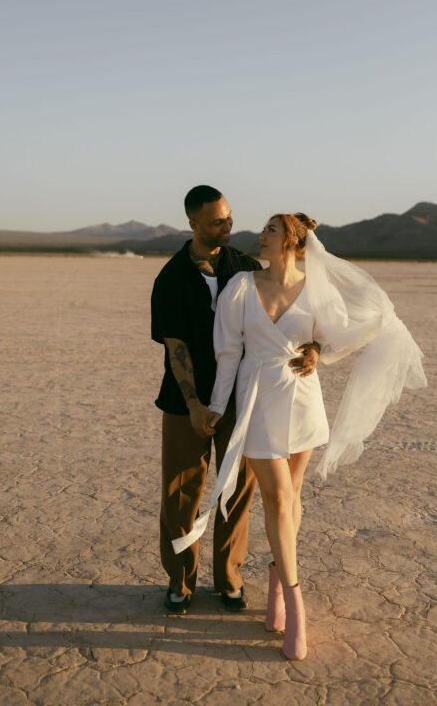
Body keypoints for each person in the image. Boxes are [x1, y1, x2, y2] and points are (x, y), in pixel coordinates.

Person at [172, 212, 427, 660]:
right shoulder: (241, 288)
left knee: (293, 494)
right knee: (277, 499)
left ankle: (275, 589)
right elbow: (228, 352)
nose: (260, 234)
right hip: (260, 398)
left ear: (293, 241)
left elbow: (336, 335)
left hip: (304, 400)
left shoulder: (316, 289)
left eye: (271, 229)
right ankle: (294, 600)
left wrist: (317, 350)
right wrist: (216, 405)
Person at [151, 187, 318, 615]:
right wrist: (194, 405)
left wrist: (313, 346)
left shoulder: (243, 268)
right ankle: (181, 582)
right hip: (184, 401)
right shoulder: (170, 277)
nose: (228, 226)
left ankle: (229, 579)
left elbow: (292, 305)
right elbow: (176, 347)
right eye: (217, 222)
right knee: (181, 492)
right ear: (194, 225)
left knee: (237, 491)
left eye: (229, 218)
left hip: (242, 399)